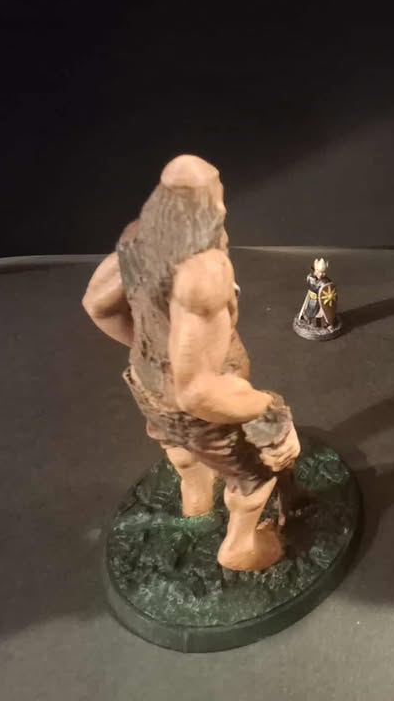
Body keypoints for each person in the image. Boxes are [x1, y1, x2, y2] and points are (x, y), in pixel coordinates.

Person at [82, 154, 301, 572]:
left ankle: (196, 502)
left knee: (182, 450)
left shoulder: (137, 241)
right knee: (256, 475)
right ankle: (240, 550)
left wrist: (154, 359)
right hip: (203, 408)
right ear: (212, 205)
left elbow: (97, 305)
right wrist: (267, 409)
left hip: (146, 386)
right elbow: (197, 392)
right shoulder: (204, 272)